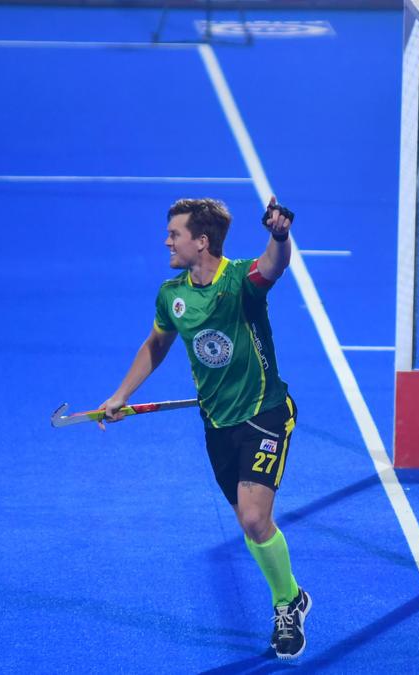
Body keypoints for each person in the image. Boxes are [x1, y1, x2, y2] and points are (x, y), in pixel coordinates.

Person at [99, 197, 310, 660]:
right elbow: (156, 345)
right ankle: (293, 594)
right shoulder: (171, 294)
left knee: (254, 519)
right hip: (217, 424)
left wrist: (279, 236)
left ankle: (284, 607)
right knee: (251, 527)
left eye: (174, 234)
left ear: (201, 241)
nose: (167, 241)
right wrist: (121, 395)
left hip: (263, 413)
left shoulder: (239, 282)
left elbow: (273, 266)